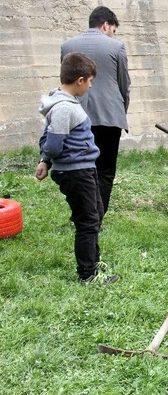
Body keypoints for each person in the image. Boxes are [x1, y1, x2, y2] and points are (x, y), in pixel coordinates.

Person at [35, 52, 118, 285]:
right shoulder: (64, 108)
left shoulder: (68, 104)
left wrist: (45, 161)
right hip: (75, 172)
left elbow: (54, 140)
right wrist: (47, 159)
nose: (90, 86)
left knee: (96, 212)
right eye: (90, 81)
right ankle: (88, 274)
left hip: (83, 168)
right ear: (80, 80)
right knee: (88, 221)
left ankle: (94, 259)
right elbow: (52, 142)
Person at [61, 6, 131, 215]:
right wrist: (121, 109)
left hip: (76, 115)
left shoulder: (67, 46)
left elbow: (66, 81)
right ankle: (98, 215)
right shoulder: (117, 47)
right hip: (109, 116)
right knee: (106, 170)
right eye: (112, 30)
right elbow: (123, 84)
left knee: (80, 166)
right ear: (105, 25)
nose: (112, 34)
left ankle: (81, 212)